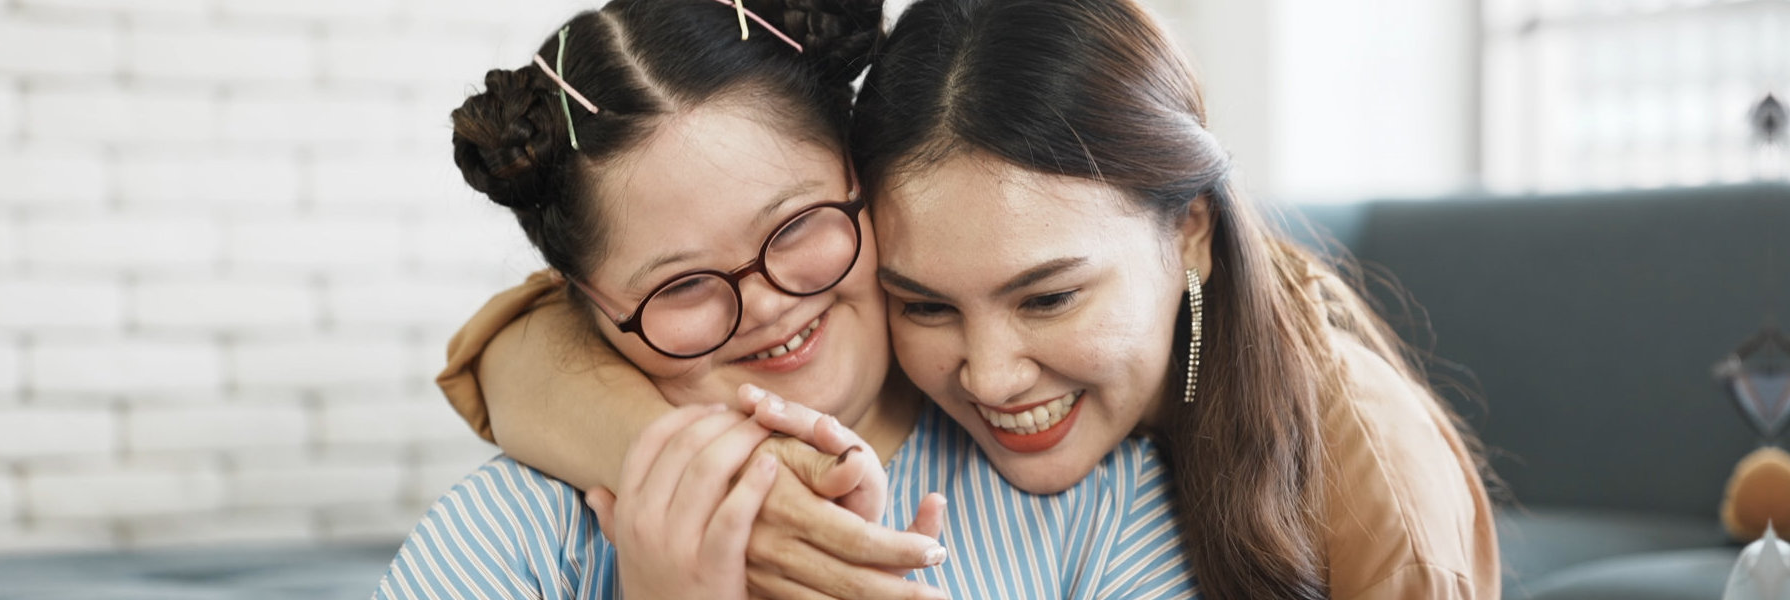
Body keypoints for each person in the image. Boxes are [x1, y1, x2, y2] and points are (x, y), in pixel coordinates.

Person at [449, 0, 1505, 598]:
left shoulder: (1366, 499)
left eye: (1047, 299)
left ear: (1188, 232)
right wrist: (704, 485)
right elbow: (528, 342)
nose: (990, 376)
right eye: (925, 304)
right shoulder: (569, 476)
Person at [373, 0, 1195, 598]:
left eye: (797, 226)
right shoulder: (521, 532)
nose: (766, 303)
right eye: (682, 285)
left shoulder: (1103, 497)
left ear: (866, 185)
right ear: (584, 307)